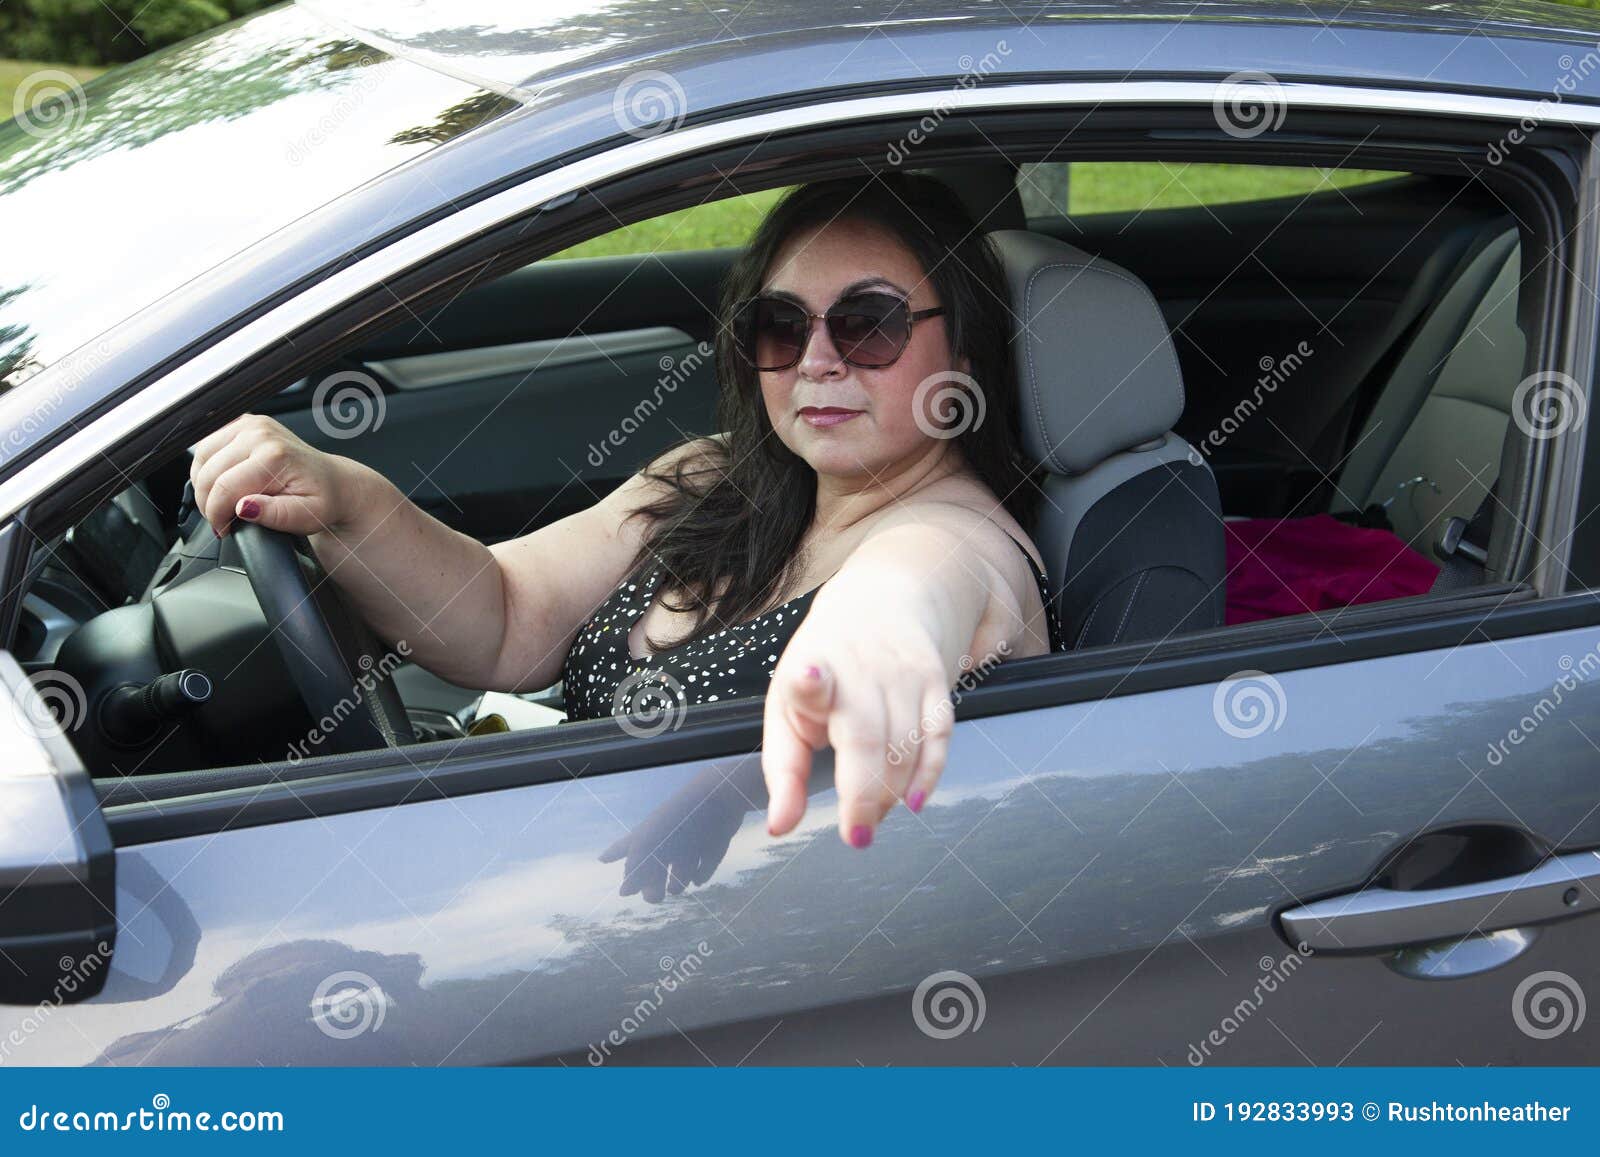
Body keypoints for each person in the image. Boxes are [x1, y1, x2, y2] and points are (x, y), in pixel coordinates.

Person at [188, 172, 1060, 851]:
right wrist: (345, 498)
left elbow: (916, 593)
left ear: (966, 348)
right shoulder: (715, 472)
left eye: (870, 325)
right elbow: (503, 614)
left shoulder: (959, 532)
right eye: (781, 326)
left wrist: (878, 641)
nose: (818, 360)